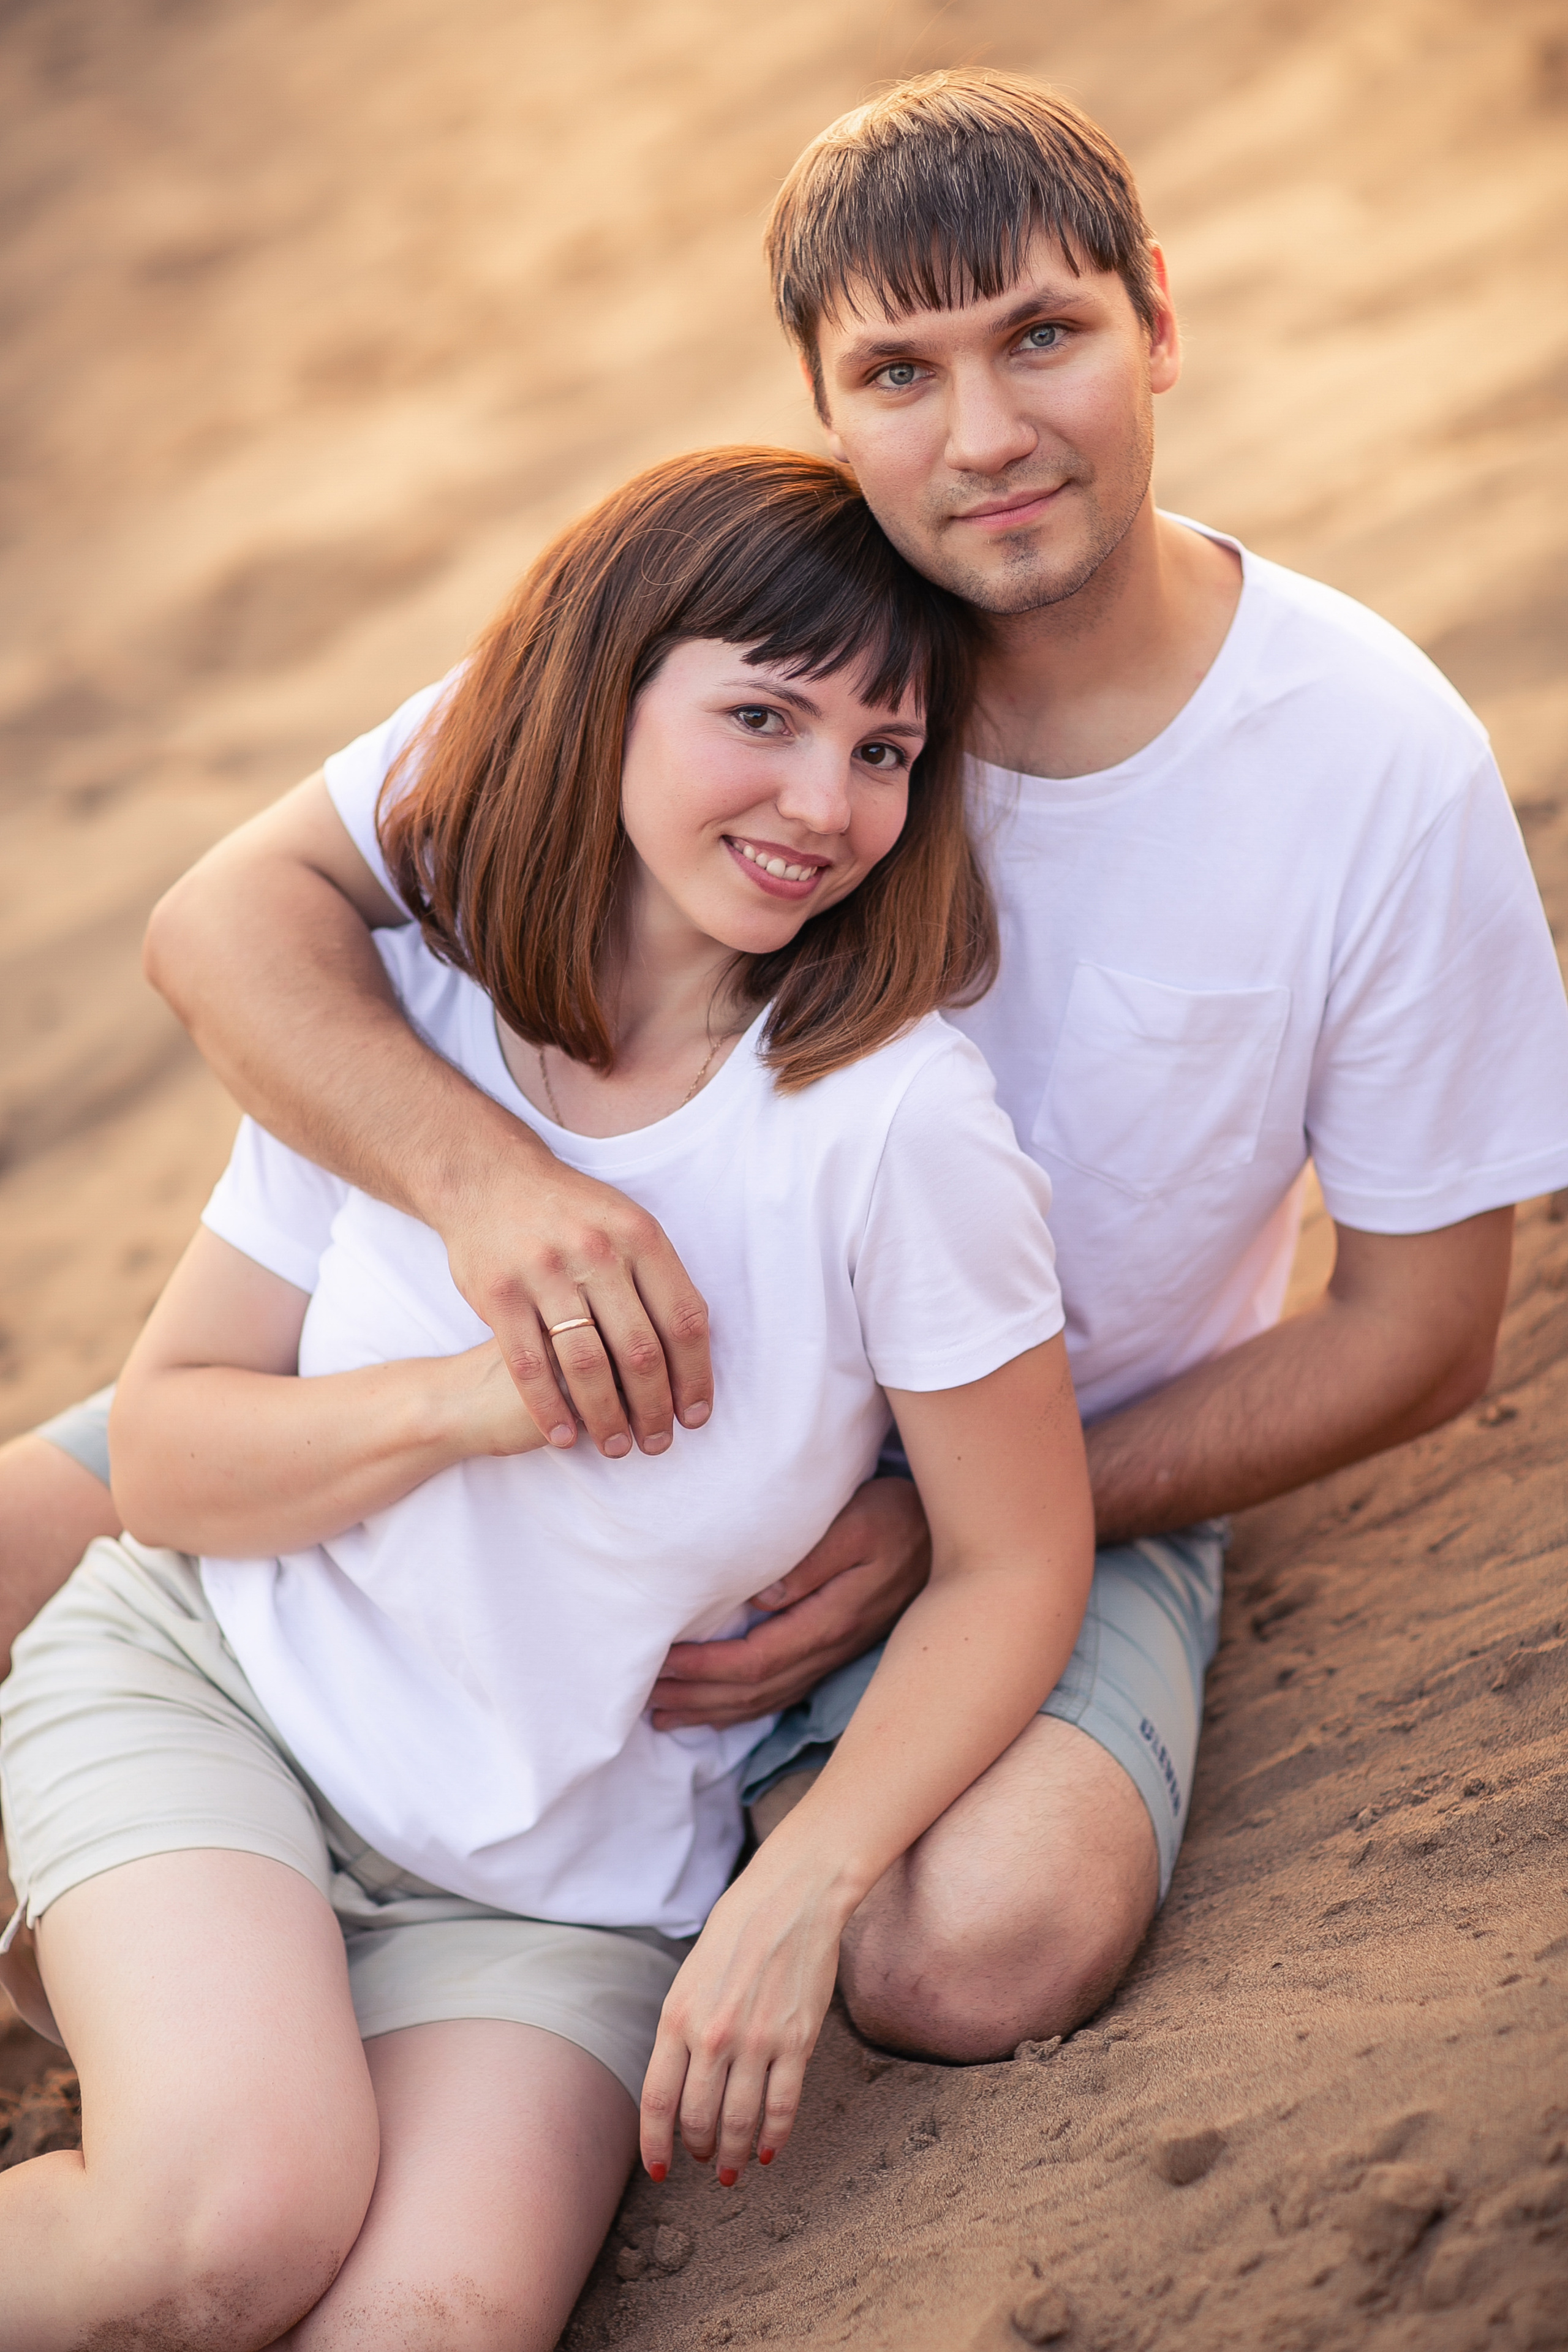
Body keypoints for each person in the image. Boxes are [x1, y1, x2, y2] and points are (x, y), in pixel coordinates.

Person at [8, 68, 1568, 2063]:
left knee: (977, 1947)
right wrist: (500, 1200)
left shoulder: (1371, 761)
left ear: (1159, 320)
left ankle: (587, 1901)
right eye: (899, 372)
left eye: (1046, 337)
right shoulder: (749, 646)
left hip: (1039, 1459)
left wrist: (966, 1522)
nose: (987, 435)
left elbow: (1427, 1331)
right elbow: (226, 922)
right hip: (591, 1362)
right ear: (823, 404)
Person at [0, 449, 1092, 2347]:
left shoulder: (901, 1129)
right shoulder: (410, 1018)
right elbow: (163, 1459)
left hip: (560, 1890)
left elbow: (1015, 1559)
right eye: (762, 715)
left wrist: (804, 1886)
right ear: (612, 687)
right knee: (219, 2232)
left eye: (883, 752)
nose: (822, 804)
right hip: (226, 1702)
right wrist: (464, 1402)